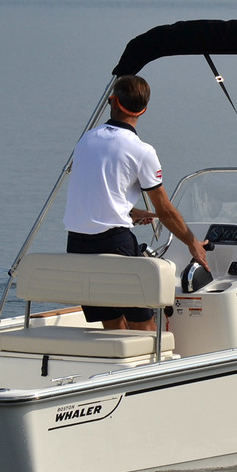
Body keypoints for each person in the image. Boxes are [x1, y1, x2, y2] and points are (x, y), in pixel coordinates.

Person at [63, 74, 209, 331]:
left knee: (112, 324)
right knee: (143, 324)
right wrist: (193, 243)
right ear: (144, 109)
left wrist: (128, 212)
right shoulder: (142, 151)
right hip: (114, 245)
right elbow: (164, 210)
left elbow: (92, 192)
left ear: (113, 102)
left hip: (77, 244)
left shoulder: (86, 140)